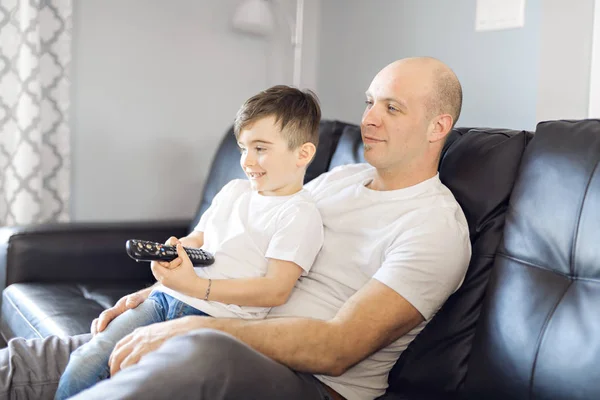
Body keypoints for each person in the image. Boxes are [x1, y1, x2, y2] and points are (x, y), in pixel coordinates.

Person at [0, 57, 471, 400]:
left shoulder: (434, 228)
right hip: (219, 326)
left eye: (392, 108)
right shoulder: (340, 179)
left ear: (438, 126)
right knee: (40, 361)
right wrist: (159, 295)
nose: (368, 118)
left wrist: (192, 329)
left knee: (197, 354)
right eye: (370, 102)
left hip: (305, 382)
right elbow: (244, 245)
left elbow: (337, 349)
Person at [54, 85, 325, 399]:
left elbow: (275, 289)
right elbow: (200, 237)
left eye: (260, 148)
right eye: (242, 148)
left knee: (134, 385)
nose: (247, 160)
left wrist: (198, 288)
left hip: (212, 323)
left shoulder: (299, 215)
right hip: (165, 300)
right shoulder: (234, 191)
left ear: (302, 154)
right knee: (88, 360)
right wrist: (176, 249)